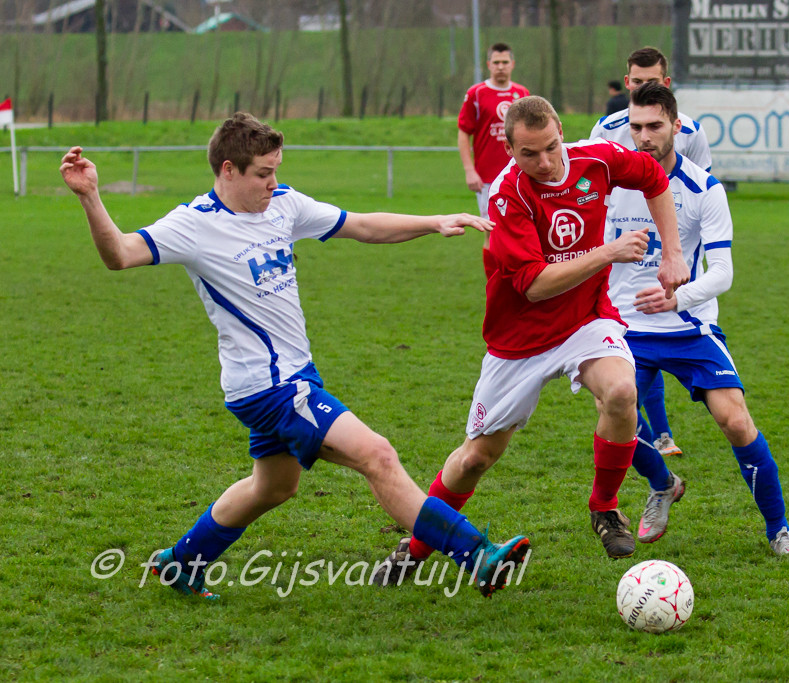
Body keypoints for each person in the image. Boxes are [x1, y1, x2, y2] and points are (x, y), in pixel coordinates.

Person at [58, 113, 532, 600]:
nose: (273, 182)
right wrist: (90, 195)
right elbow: (120, 253)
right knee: (378, 455)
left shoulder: (283, 204)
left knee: (273, 488)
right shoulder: (194, 225)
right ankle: (477, 555)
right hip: (270, 388)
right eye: (263, 173)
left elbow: (362, 225)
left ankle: (181, 562)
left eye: (276, 170)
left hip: (293, 375)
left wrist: (433, 222)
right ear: (228, 170)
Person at [372, 96, 687, 585]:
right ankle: (414, 548)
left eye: (551, 147)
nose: (544, 162)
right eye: (529, 154)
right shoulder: (507, 196)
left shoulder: (597, 159)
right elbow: (536, 285)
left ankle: (604, 507)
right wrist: (607, 253)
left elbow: (653, 178)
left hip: (586, 320)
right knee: (475, 458)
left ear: (561, 130)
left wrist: (673, 253)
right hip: (520, 340)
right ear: (510, 150)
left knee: (622, 392)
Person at [605, 83, 789, 555]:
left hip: (688, 327)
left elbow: (722, 272)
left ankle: (779, 530)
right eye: (636, 127)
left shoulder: (704, 187)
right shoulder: (611, 182)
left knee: (736, 422)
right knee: (615, 419)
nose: (644, 137)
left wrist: (678, 299)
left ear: (676, 126)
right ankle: (662, 483)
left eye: (655, 126)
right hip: (623, 329)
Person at [590, 45, 714, 460]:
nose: (644, 87)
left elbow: (699, 191)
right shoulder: (606, 129)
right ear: (627, 82)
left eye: (653, 82)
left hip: (670, 243)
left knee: (654, 329)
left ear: (667, 84)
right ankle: (657, 435)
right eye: (638, 82)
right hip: (624, 241)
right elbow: (593, 188)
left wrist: (683, 252)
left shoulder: (691, 132)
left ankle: (657, 436)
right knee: (634, 342)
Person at [458, 42, 530, 224]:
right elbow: (463, 133)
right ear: (488, 64)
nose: (501, 67)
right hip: (487, 177)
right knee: (492, 227)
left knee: (521, 224)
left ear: (512, 64)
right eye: (496, 62)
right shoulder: (476, 93)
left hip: (519, 172)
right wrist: (469, 171)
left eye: (505, 62)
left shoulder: (522, 93)